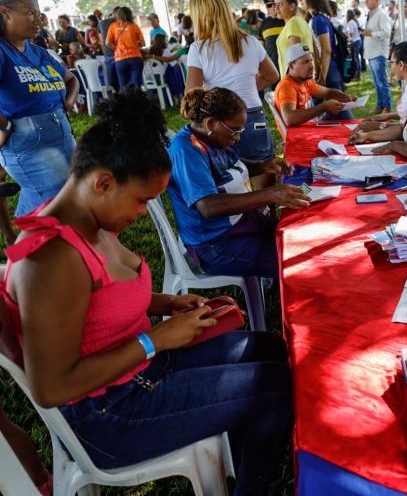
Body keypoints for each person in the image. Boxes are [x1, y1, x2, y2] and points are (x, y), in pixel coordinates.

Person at [2, 87, 294, 495]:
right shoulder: (49, 261)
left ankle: (239, 453)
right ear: (103, 183)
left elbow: (98, 298)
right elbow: (51, 388)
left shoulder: (88, 222)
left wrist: (168, 303)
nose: (142, 212)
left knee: (270, 349)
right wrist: (154, 339)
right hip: (111, 415)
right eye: (141, 201)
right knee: (276, 386)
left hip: (141, 374)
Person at [168, 87, 310, 277]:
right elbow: (208, 206)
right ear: (211, 123)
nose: (238, 137)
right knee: (299, 261)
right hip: (215, 245)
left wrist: (262, 166)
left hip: (242, 226)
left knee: (305, 235)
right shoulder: (187, 151)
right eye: (234, 131)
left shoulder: (213, 138)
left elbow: (231, 166)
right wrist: (271, 194)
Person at [185, 0, 282, 189]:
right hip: (254, 117)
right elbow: (272, 76)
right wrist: (247, 91)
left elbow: (191, 95)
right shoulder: (250, 41)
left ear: (199, 16)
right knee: (266, 188)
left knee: (233, 187)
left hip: (222, 124)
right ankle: (268, 220)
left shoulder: (199, 48)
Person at [0, 0, 79, 217]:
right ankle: (29, 249)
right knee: (57, 206)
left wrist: (67, 103)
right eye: (30, 13)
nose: (39, 20)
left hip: (62, 134)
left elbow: (71, 78)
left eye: (39, 13)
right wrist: (3, 126)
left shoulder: (38, 52)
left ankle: (22, 246)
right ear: (4, 12)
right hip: (28, 141)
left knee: (65, 196)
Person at [297, 0, 352, 121]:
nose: (300, 1)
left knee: (336, 111)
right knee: (339, 111)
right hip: (328, 71)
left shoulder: (318, 20)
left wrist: (321, 76)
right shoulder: (316, 18)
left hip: (328, 71)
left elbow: (326, 50)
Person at [273, 43, 356, 126]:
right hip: (300, 135)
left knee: (341, 108)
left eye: (311, 61)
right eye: (305, 62)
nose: (311, 66)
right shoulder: (286, 86)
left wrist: (345, 97)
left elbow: (328, 92)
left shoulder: (305, 81)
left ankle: (358, 134)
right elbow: (289, 118)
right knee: (342, 111)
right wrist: (324, 107)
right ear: (291, 66)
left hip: (309, 127)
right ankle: (358, 134)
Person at [354, 41, 407, 132]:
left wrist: (380, 126)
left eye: (391, 62)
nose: (390, 66)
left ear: (401, 65)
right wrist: (389, 115)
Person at [360, 0, 393, 115]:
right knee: (377, 82)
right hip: (372, 52)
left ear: (376, 0)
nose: (366, 1)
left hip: (378, 53)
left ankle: (387, 107)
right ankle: (380, 105)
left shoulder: (381, 14)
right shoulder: (372, 14)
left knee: (382, 81)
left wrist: (371, 33)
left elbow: (386, 32)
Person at [274, 0, 316, 79]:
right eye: (275, 4)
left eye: (280, 4)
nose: (276, 8)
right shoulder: (300, 21)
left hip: (295, 81)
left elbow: (298, 56)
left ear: (292, 6)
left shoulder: (293, 23)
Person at [106, 6, 145, 89]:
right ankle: (138, 101)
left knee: (123, 87)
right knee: (136, 86)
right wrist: (134, 44)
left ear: (117, 15)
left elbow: (107, 43)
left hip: (120, 59)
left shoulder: (113, 26)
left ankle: (125, 101)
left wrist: (116, 49)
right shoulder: (134, 26)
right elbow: (143, 43)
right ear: (129, 15)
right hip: (135, 57)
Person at [260, 0, 285, 76]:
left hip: (289, 66)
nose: (273, 6)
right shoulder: (263, 23)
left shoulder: (286, 20)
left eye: (275, 3)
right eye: (269, 4)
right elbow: (262, 47)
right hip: (273, 68)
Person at [98, 6, 120, 91]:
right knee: (122, 81)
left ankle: (113, 101)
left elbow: (101, 40)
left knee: (111, 83)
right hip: (119, 55)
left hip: (107, 55)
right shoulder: (120, 23)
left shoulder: (101, 23)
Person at [345, 8, 363, 76]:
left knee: (355, 58)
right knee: (357, 58)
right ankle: (358, 72)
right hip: (358, 40)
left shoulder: (350, 23)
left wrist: (346, 35)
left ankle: (357, 74)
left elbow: (351, 34)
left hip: (355, 41)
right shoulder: (355, 21)